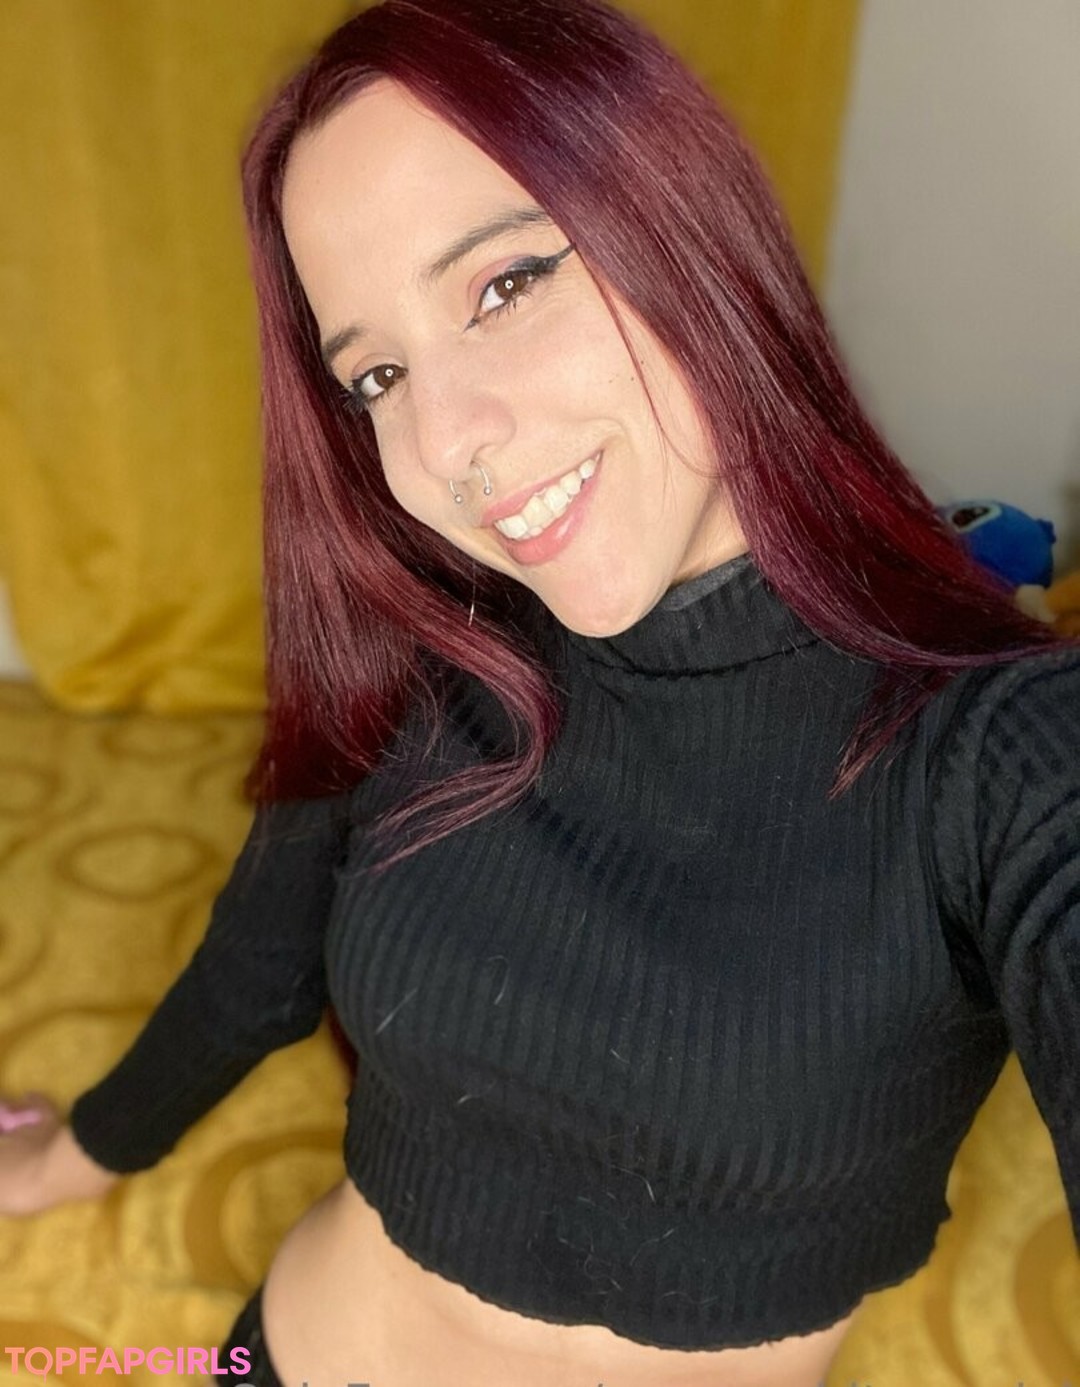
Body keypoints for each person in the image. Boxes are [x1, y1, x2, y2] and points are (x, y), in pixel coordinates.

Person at [2, 1, 1078, 1384]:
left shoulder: (1000, 747)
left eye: (504, 286)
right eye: (377, 374)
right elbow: (259, 967)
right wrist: (68, 1164)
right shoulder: (422, 653)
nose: (448, 444)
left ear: (682, 229)